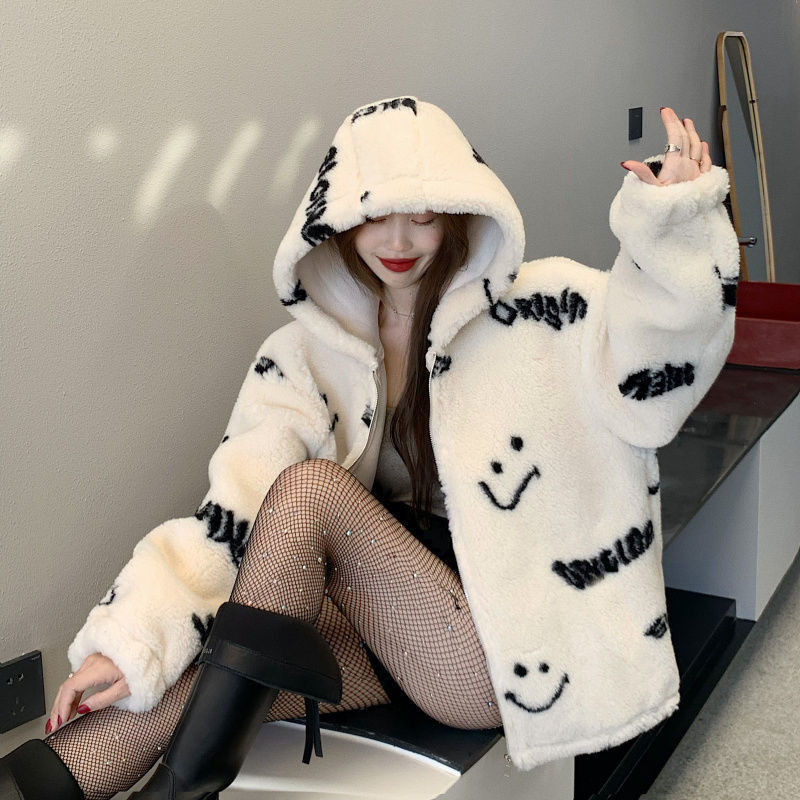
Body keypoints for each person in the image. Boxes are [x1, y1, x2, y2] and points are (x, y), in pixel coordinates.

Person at [0, 97, 739, 800]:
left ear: (459, 211)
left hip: (497, 647)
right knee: (204, 664)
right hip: (384, 635)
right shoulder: (303, 354)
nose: (397, 242)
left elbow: (655, 379)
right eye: (375, 216)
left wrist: (673, 225)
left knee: (312, 492)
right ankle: (40, 781)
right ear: (338, 220)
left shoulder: (542, 311)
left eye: (422, 216)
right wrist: (135, 638)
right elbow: (232, 512)